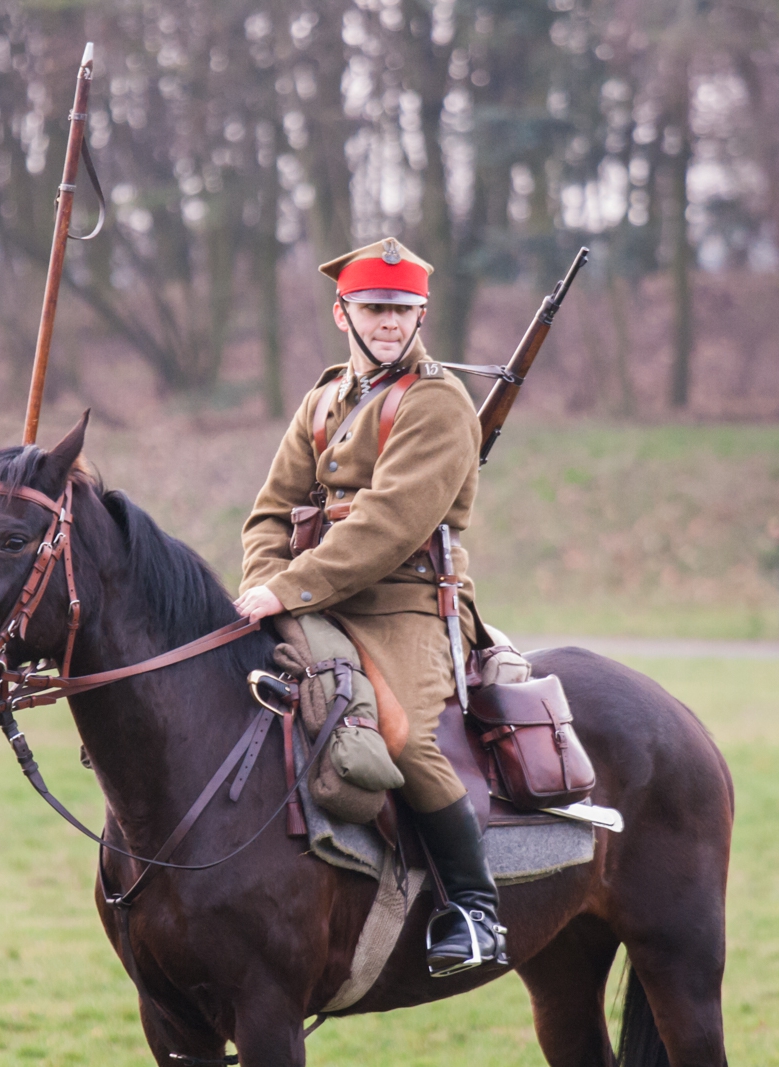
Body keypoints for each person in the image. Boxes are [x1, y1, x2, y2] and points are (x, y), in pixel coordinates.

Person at [233, 237, 503, 976]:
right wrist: (266, 587)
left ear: (422, 314)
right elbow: (269, 513)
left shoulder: (438, 402)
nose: (389, 321)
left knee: (403, 735)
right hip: (312, 600)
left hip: (403, 604)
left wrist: (287, 588)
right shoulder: (321, 400)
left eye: (402, 309)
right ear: (341, 313)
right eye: (375, 308)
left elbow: (389, 526)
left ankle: (473, 908)